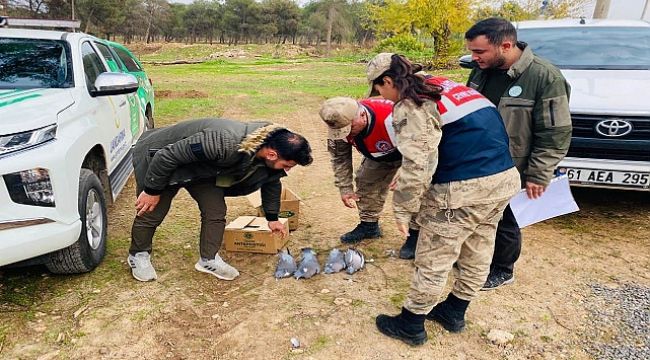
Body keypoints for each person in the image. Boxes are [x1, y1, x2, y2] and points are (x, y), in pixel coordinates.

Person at [368, 53, 520, 346]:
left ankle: (411, 324)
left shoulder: (411, 104)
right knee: (479, 245)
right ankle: (454, 311)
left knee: (435, 257)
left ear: (388, 81)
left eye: (379, 89)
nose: (380, 96)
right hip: (502, 179)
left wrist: (403, 209)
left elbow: (418, 161)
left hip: (463, 190)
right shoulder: (448, 86)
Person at [127, 118, 313, 282]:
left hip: (202, 169)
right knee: (151, 210)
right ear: (272, 154)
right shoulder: (223, 141)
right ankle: (138, 255)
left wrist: (272, 218)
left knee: (215, 211)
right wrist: (152, 190)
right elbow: (166, 156)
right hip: (161, 158)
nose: (287, 170)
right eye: (288, 165)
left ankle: (208, 260)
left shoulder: (269, 144)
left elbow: (272, 181)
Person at [464, 18, 572, 290]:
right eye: (473, 51)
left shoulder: (544, 77)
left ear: (506, 45)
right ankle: (477, 258)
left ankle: (502, 268)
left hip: (514, 166)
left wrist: (539, 173)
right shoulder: (480, 70)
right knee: (478, 213)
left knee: (506, 218)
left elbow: (555, 132)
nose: (474, 57)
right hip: (479, 159)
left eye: (479, 52)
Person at [318, 96, 420, 258]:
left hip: (411, 154)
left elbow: (422, 147)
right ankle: (369, 226)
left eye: (349, 128)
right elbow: (339, 158)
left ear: (362, 115)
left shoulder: (394, 117)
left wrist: (408, 171)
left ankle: (415, 235)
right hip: (377, 156)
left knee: (413, 190)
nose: (347, 133)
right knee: (365, 183)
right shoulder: (339, 127)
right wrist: (345, 187)